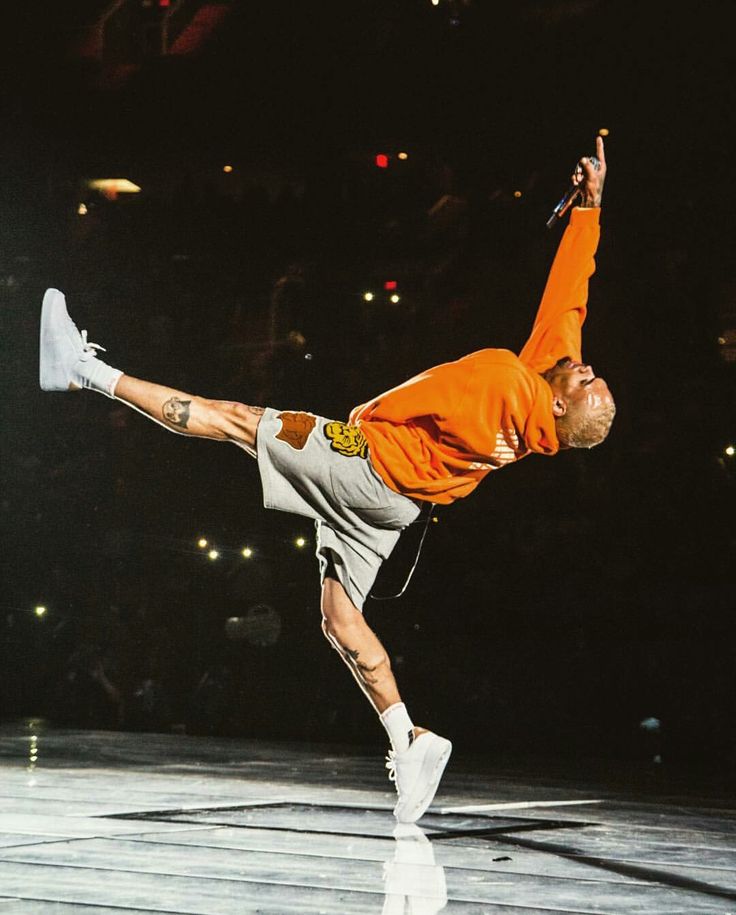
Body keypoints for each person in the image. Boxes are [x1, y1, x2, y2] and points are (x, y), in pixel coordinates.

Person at [39, 137, 614, 823]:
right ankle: (409, 738)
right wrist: (591, 210)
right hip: (397, 509)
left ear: (559, 406)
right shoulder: (543, 394)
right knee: (340, 620)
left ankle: (82, 369)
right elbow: (570, 299)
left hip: (367, 464)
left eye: (586, 383)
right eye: (589, 373)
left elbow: (413, 397)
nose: (585, 369)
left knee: (234, 421)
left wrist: (362, 419)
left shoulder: (507, 379)